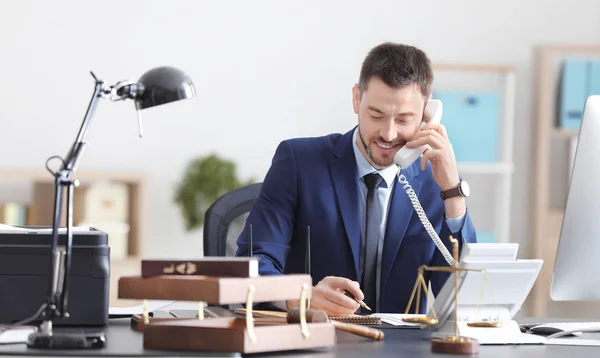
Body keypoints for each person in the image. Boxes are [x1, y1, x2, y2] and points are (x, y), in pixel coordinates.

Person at [236, 42, 477, 316]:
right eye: (376, 115)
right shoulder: (297, 162)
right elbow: (251, 266)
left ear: (426, 113)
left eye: (404, 119)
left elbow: (462, 302)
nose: (388, 134)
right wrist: (300, 297)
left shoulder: (436, 180)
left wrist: (452, 192)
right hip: (316, 341)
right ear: (356, 99)